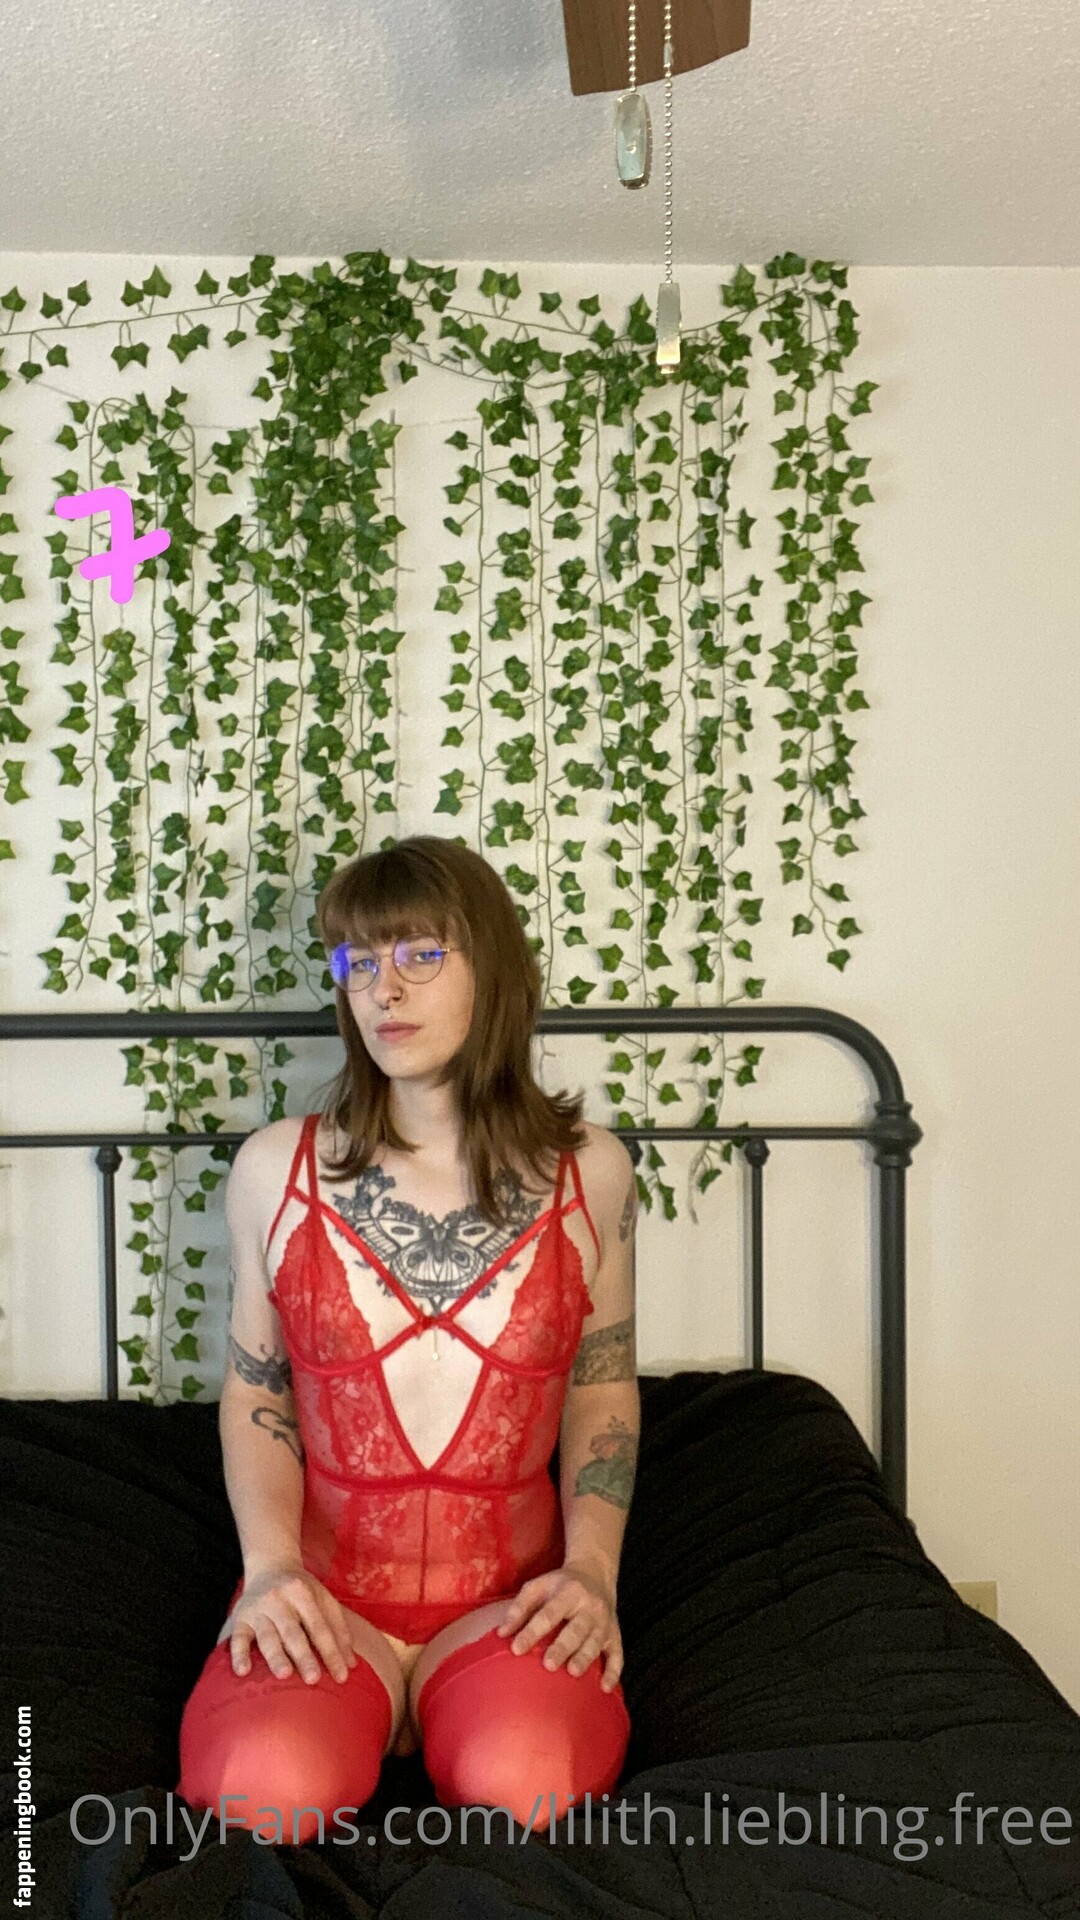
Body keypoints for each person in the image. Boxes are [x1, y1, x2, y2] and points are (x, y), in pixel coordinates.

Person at [177, 834, 639, 1846]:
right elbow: (256, 1390)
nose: (382, 988)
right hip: (325, 1598)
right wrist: (269, 1571)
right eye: (357, 960)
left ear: (495, 966)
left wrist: (593, 1572)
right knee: (261, 1789)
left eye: (421, 953)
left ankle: (457, 1709)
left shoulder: (593, 1173)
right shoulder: (275, 1169)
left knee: (532, 1782)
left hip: (509, 1604)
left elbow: (603, 1386)